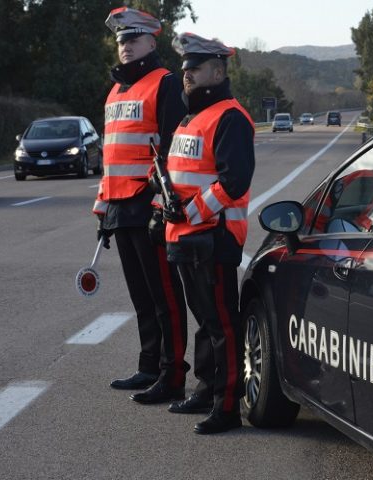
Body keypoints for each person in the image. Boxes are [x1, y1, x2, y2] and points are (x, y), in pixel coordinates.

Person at [93, 7, 189, 405]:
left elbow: (172, 151)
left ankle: (173, 374)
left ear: (152, 41)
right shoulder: (115, 91)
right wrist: (103, 209)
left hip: (148, 207)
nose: (126, 47)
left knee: (165, 295)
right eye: (121, 41)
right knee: (141, 296)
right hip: (119, 207)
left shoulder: (165, 84)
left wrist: (157, 205)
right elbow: (111, 155)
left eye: (133, 40)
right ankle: (149, 365)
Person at [162, 32, 255, 434]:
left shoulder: (230, 116)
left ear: (217, 71)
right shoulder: (190, 116)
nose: (187, 75)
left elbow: (234, 182)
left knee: (222, 325)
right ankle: (205, 389)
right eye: (185, 69)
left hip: (213, 237)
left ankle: (228, 406)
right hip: (186, 236)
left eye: (195, 69)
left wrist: (191, 214)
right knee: (205, 320)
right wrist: (161, 208)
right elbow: (180, 174)